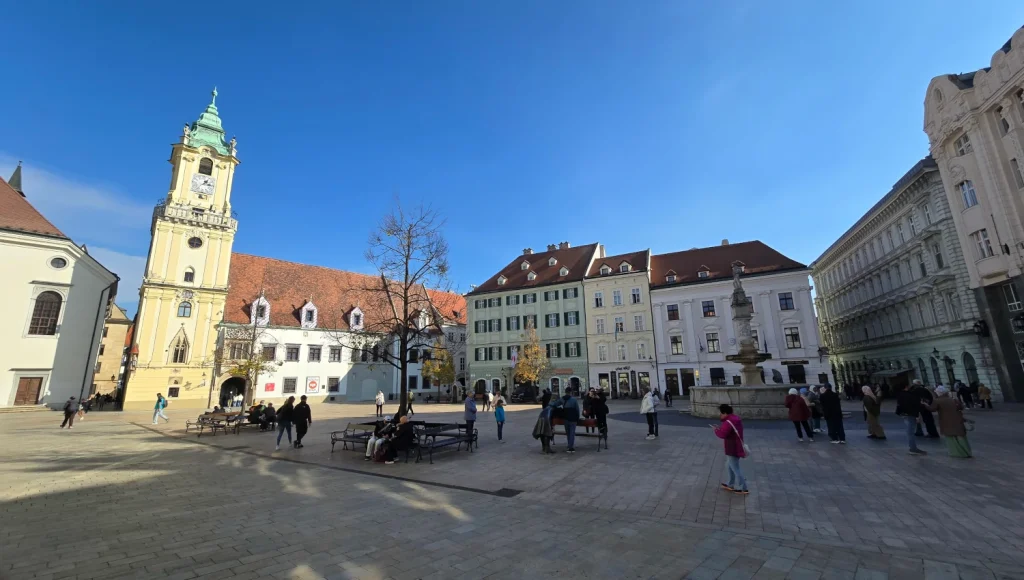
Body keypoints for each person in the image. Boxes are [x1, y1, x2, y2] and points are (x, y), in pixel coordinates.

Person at [926, 386, 972, 458]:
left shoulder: (938, 400)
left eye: (936, 392)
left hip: (946, 421)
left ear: (939, 393)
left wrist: (925, 405)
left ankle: (956, 452)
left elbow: (932, 409)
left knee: (950, 437)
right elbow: (961, 407)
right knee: (961, 435)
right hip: (958, 419)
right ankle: (967, 452)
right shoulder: (953, 399)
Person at [713, 404, 748, 495]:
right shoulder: (735, 419)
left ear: (725, 413)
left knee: (735, 468)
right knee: (729, 465)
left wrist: (716, 430)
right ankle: (730, 483)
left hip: (732, 447)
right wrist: (720, 428)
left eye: (721, 413)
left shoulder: (728, 421)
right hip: (735, 445)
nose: (720, 415)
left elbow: (722, 434)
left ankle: (743, 487)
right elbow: (728, 432)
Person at [895, 382, 926, 455]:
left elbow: (900, 405)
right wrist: (917, 415)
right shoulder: (910, 395)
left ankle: (913, 448)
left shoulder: (899, 394)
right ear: (906, 387)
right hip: (911, 414)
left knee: (910, 431)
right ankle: (913, 448)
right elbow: (915, 405)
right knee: (910, 432)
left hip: (904, 414)